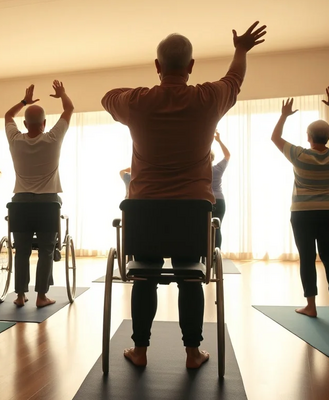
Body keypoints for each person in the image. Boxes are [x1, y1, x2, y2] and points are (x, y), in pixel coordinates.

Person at [101, 22, 266, 369]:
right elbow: (234, 80)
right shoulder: (207, 98)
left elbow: (107, 96)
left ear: (157, 66)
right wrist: (241, 50)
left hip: (144, 215)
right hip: (193, 215)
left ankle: (140, 351)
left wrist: (144, 91)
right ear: (191, 66)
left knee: (144, 275)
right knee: (191, 275)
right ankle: (193, 353)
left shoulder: (137, 101)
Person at [271, 88, 329, 318]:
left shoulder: (299, 155)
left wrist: (284, 116)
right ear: (328, 138)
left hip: (303, 213)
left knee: (307, 257)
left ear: (308, 137)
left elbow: (275, 138)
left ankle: (311, 305)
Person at [4, 80, 74, 308]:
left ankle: (20, 295)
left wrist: (25, 100)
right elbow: (69, 109)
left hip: (21, 203)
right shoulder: (52, 138)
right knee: (45, 250)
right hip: (47, 203)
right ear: (45, 123)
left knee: (22, 250)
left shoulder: (15, 140)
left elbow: (7, 115)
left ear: (25, 123)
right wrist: (62, 94)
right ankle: (41, 296)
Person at [211, 131, 230, 249]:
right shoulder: (217, 169)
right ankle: (216, 254)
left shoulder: (198, 171)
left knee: (205, 229)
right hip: (219, 201)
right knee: (217, 228)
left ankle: (205, 254)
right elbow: (227, 155)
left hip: (207, 201)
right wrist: (219, 141)